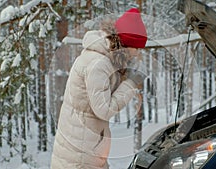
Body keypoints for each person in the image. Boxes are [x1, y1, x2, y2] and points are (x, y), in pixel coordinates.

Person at [51, 8, 147, 169]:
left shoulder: (104, 57)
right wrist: (130, 84)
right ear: (126, 43)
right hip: (81, 153)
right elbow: (103, 109)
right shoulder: (99, 63)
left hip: (85, 146)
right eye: (137, 48)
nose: (137, 54)